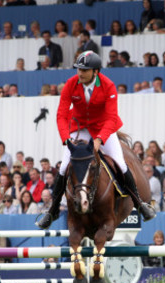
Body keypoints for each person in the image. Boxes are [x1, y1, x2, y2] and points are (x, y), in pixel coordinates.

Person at [37, 51, 155, 229]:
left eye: (85, 70)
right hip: (79, 129)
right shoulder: (71, 84)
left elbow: (111, 117)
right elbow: (61, 114)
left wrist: (100, 138)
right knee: (63, 167)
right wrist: (65, 139)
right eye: (79, 69)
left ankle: (139, 203)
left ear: (96, 71)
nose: (80, 73)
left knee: (120, 164)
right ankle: (52, 210)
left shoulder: (108, 85)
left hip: (103, 128)